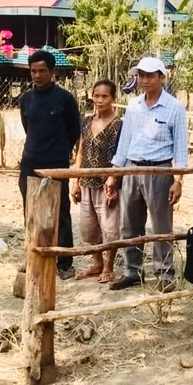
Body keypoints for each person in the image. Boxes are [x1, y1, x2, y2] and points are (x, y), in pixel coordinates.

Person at [105, 56, 188, 292]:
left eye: (151, 75)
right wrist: (114, 175)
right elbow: (125, 142)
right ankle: (132, 270)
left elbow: (180, 148)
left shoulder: (175, 107)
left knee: (161, 225)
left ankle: (165, 272)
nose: (145, 80)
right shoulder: (133, 106)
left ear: (162, 77)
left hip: (160, 169)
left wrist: (178, 180)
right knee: (129, 223)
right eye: (141, 75)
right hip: (132, 167)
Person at [19, 50, 80, 280]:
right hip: (30, 164)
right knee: (31, 213)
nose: (37, 75)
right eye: (33, 71)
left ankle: (64, 262)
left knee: (61, 213)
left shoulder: (65, 99)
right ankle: (33, 255)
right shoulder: (26, 99)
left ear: (52, 72)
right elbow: (28, 127)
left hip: (57, 164)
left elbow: (74, 130)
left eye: (42, 71)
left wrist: (60, 152)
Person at [71, 79, 123, 283]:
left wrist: (113, 180)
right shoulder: (85, 121)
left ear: (113, 99)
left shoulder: (119, 125)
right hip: (86, 182)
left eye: (105, 96)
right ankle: (97, 263)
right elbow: (81, 152)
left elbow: (121, 156)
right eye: (96, 95)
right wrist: (75, 181)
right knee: (88, 226)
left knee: (110, 227)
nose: (100, 100)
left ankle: (109, 266)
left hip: (107, 184)